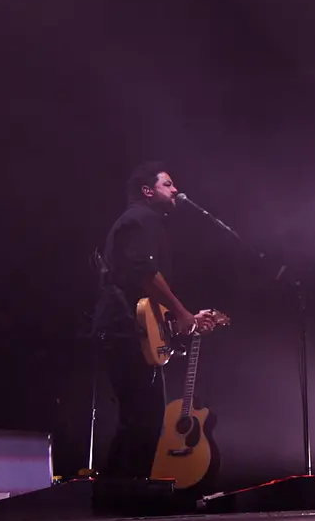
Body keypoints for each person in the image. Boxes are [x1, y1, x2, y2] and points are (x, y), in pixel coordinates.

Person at [90, 162, 219, 479]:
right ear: (147, 191)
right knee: (140, 417)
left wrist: (182, 319)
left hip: (130, 331)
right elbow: (145, 275)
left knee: (143, 417)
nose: (176, 190)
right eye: (168, 184)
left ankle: (126, 494)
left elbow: (144, 298)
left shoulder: (146, 222)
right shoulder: (140, 219)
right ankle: (121, 494)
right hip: (123, 332)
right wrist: (183, 313)